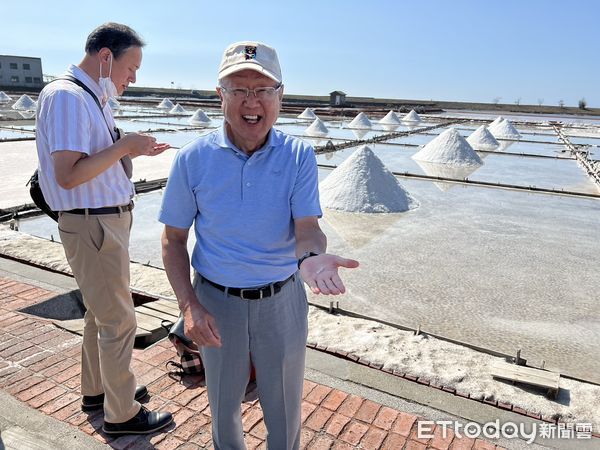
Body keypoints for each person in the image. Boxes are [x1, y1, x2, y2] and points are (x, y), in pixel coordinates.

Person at [160, 41, 359, 449]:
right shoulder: (192, 159)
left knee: (284, 409)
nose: (252, 102)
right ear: (221, 97)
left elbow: (307, 227)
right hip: (216, 303)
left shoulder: (298, 155)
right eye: (239, 89)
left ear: (280, 96)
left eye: (263, 90)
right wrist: (189, 307)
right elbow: (173, 238)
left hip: (282, 302)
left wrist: (311, 258)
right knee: (224, 407)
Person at [35, 22, 173, 435]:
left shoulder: (88, 97)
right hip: (93, 224)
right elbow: (68, 175)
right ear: (106, 56)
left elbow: (93, 162)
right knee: (119, 321)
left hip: (101, 222)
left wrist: (133, 149)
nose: (133, 78)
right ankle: (122, 414)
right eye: (131, 68)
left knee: (101, 312)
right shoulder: (68, 97)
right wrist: (125, 145)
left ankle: (99, 391)